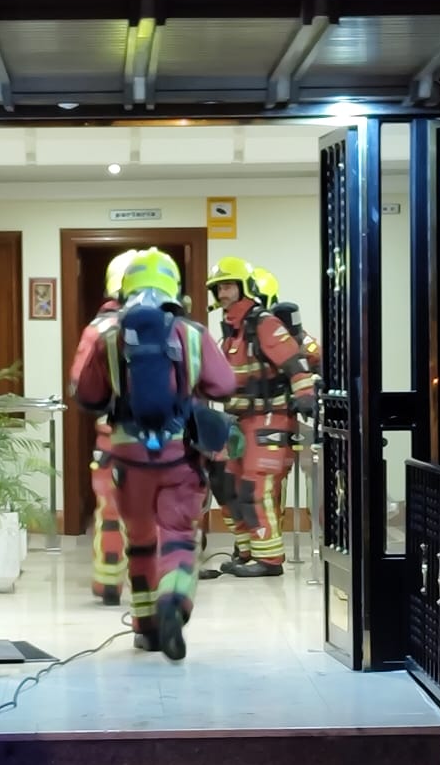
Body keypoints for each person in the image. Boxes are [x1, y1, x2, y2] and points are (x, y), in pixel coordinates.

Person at [71, 251, 235, 659]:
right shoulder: (192, 333)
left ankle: (145, 629)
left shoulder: (110, 334)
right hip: (180, 455)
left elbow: (88, 396)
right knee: (177, 535)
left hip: (127, 456)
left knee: (140, 541)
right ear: (173, 288)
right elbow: (224, 385)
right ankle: (173, 603)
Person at [206, 257, 317, 577]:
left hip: (271, 417)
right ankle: (246, 550)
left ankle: (269, 560)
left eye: (228, 286)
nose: (223, 293)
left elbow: (296, 364)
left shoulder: (264, 323)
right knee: (226, 484)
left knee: (257, 486)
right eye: (218, 288)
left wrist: (305, 395)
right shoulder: (230, 333)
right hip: (238, 420)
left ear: (244, 288)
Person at [88, 248, 142, 605]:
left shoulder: (99, 328)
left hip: (111, 434)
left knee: (109, 510)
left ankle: (108, 581)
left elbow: (84, 388)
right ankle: (151, 589)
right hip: (160, 437)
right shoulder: (172, 324)